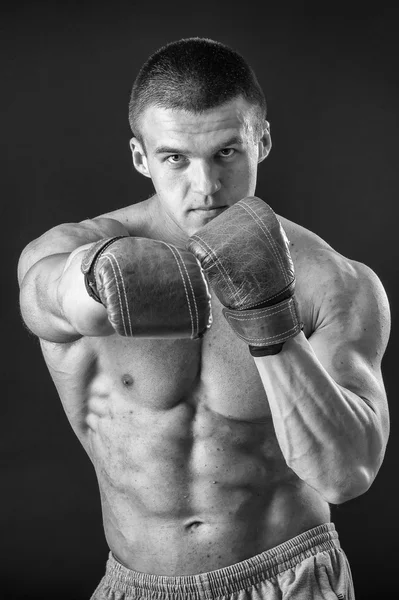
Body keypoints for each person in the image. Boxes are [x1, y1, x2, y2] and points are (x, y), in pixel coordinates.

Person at [18, 37, 390, 600]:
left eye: (227, 152)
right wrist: (101, 278)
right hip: (138, 583)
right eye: (175, 158)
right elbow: (50, 296)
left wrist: (269, 320)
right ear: (141, 157)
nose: (206, 187)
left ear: (260, 141)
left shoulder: (334, 282)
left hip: (290, 579)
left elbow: (347, 474)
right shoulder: (76, 249)